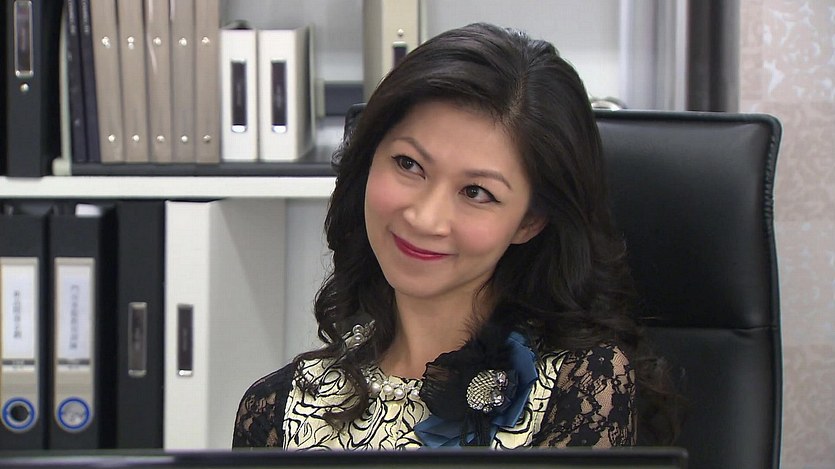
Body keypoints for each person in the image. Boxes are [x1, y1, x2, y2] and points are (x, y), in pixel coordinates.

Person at [233, 22, 673, 450]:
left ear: (529, 221)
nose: (425, 218)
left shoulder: (581, 387)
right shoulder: (275, 410)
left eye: (476, 192)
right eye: (408, 165)